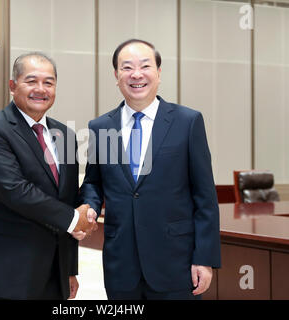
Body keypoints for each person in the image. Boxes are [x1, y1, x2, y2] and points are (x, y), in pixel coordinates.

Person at [79, 39, 221, 300]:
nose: (136, 74)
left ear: (158, 72)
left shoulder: (187, 122)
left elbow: (205, 197)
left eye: (145, 66)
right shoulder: (101, 127)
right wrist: (89, 205)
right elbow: (93, 182)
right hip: (121, 264)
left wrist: (204, 258)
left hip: (177, 265)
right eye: (127, 67)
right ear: (116, 75)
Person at [0, 52, 96, 300]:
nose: (40, 89)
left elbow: (67, 199)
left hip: (54, 276)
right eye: (31, 81)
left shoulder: (64, 135)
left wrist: (69, 269)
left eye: (49, 82)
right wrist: (74, 219)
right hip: (5, 275)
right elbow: (15, 190)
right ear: (12, 86)